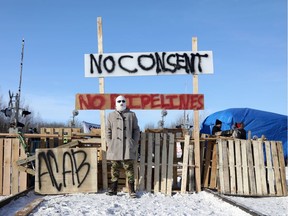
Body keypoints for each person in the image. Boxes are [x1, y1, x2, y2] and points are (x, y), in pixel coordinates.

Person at [105, 95, 140, 198]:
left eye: (123, 101)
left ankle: (132, 190)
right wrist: (109, 142)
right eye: (119, 101)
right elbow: (108, 130)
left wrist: (133, 141)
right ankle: (113, 189)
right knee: (114, 168)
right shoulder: (110, 115)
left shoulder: (132, 115)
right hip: (115, 146)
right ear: (115, 103)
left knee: (129, 168)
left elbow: (136, 130)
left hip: (127, 146)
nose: (121, 103)